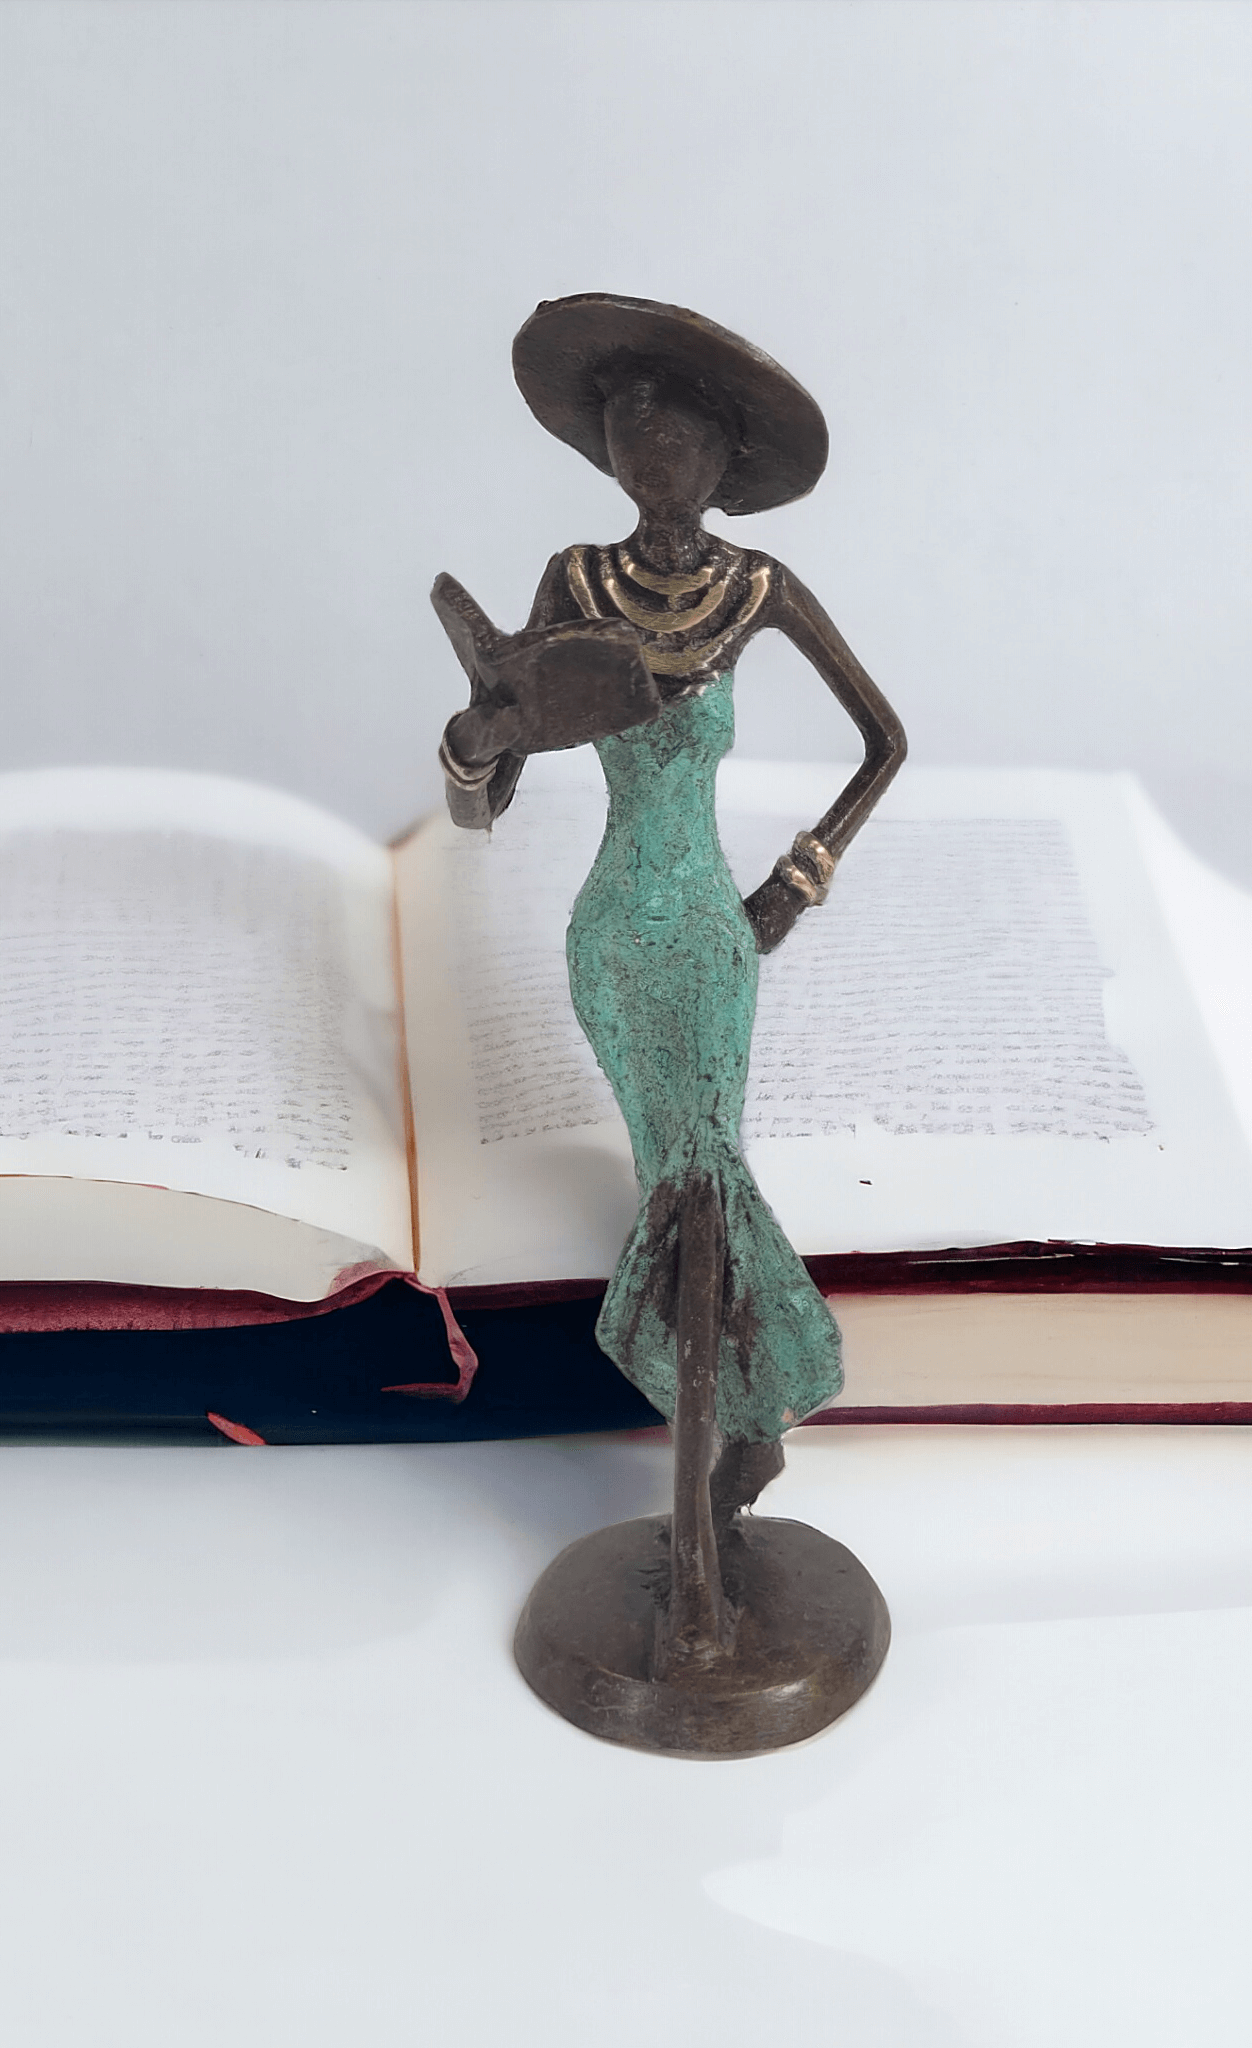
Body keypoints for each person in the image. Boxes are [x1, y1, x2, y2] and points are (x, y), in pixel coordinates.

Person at [437, 295, 904, 1515]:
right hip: (609, 933)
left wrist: (792, 886)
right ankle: (735, 1411)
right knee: (668, 1171)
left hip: (705, 928)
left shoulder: (755, 586)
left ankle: (733, 1410)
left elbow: (883, 740)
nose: (649, 448)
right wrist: (473, 745)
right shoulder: (575, 580)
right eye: (626, 422)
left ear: (723, 456)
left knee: (704, 1165)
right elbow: (488, 801)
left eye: (677, 429)